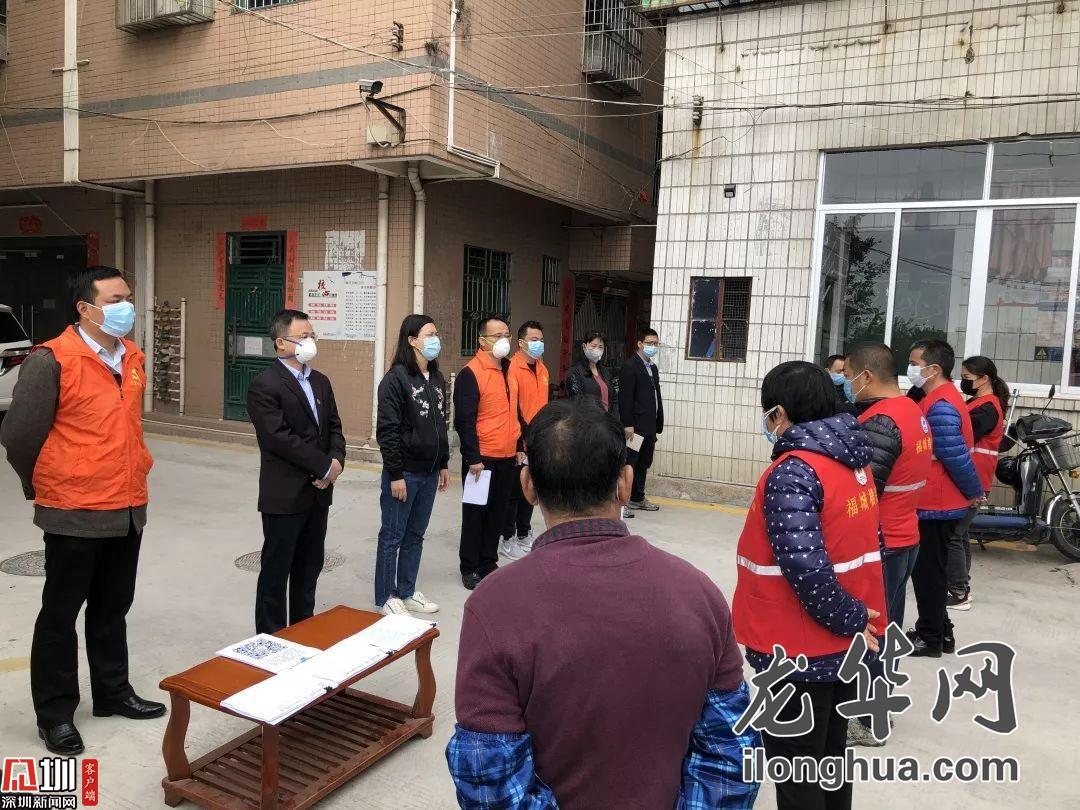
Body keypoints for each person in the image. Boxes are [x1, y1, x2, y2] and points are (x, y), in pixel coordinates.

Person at [446, 397, 760, 809]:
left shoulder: (494, 606)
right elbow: (732, 754)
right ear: (625, 483)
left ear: (528, 486)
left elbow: (490, 784)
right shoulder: (699, 594)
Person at [0, 266, 165, 755]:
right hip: (73, 510)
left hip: (127, 505)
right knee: (60, 614)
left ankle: (113, 693)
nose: (126, 307)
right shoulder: (52, 359)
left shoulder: (130, 355)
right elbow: (19, 436)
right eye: (115, 300)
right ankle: (55, 715)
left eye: (128, 297)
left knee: (113, 608)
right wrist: (44, 483)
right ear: (85, 308)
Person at [732, 360, 885, 810]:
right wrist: (855, 622)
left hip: (796, 650)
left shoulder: (794, 472)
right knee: (831, 760)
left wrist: (851, 617)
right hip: (846, 644)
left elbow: (807, 569)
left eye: (768, 413)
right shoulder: (854, 462)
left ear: (779, 413)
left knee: (798, 774)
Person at [842, 342, 932, 747]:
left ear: (866, 376)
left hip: (883, 541)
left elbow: (865, 488)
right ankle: (879, 709)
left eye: (848, 376)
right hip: (905, 536)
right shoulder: (912, 411)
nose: (846, 383)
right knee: (887, 628)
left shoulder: (881, 422)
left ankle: (869, 720)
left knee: (870, 633)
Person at [247, 309, 346, 634]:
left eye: (312, 335)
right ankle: (271, 641)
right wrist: (322, 466)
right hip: (285, 496)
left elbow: (334, 428)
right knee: (276, 574)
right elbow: (279, 438)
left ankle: (303, 633)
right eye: (303, 336)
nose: (310, 341)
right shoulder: (264, 385)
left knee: (308, 571)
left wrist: (336, 462)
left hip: (318, 495)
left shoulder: (321, 382)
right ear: (281, 343)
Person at [906, 339, 984, 657]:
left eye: (914, 364)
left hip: (937, 503)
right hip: (935, 500)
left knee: (928, 573)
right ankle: (941, 632)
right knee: (931, 570)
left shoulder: (940, 406)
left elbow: (955, 457)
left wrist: (974, 491)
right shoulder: (938, 398)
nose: (910, 369)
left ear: (934, 368)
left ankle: (931, 638)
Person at [374, 314, 450, 617]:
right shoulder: (395, 380)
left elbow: (441, 423)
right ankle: (386, 596)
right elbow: (387, 431)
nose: (435, 339)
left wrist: (443, 463)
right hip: (404, 472)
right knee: (392, 536)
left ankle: (406, 591)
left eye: (436, 333)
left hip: (430, 472)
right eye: (429, 334)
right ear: (412, 340)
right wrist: (395, 474)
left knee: (415, 535)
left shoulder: (437, 377)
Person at [454, 317, 521, 590]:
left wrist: (519, 446)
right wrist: (473, 457)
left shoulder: (509, 369)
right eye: (497, 336)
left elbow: (514, 412)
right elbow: (464, 420)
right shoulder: (471, 373)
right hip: (481, 460)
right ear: (482, 341)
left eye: (506, 334)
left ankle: (488, 562)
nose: (503, 340)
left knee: (497, 514)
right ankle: (470, 567)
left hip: (507, 455)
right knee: (475, 515)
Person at [947, 356, 1008, 611]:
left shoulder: (987, 408)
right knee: (961, 535)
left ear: (984, 379)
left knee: (953, 535)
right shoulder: (977, 403)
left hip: (972, 479)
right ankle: (961, 587)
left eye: (967, 377)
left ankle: (959, 592)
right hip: (970, 477)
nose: (963, 382)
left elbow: (960, 434)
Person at [499, 320, 549, 560]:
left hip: (538, 439)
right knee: (514, 491)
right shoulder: (512, 368)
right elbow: (513, 409)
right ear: (521, 342)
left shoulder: (543, 369)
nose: (539, 344)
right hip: (518, 441)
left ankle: (523, 533)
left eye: (541, 340)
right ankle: (507, 536)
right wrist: (521, 440)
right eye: (534, 340)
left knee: (531, 488)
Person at [619, 327, 664, 512]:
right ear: (639, 344)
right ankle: (624, 501)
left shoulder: (652, 367)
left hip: (649, 425)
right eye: (649, 343)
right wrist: (627, 423)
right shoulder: (630, 366)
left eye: (655, 344)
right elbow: (625, 398)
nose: (653, 346)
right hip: (635, 427)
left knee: (644, 461)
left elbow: (655, 396)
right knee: (631, 462)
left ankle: (638, 497)